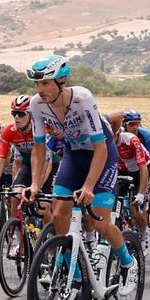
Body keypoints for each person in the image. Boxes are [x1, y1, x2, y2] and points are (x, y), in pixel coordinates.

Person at [21, 55, 132, 272]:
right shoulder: (36, 104)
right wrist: (35, 184)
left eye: (45, 83)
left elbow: (100, 147)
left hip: (102, 154)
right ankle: (74, 268)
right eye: (37, 83)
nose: (39, 89)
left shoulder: (82, 98)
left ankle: (129, 262)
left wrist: (89, 186)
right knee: (59, 212)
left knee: (100, 223)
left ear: (61, 82)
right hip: (74, 155)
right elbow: (39, 147)